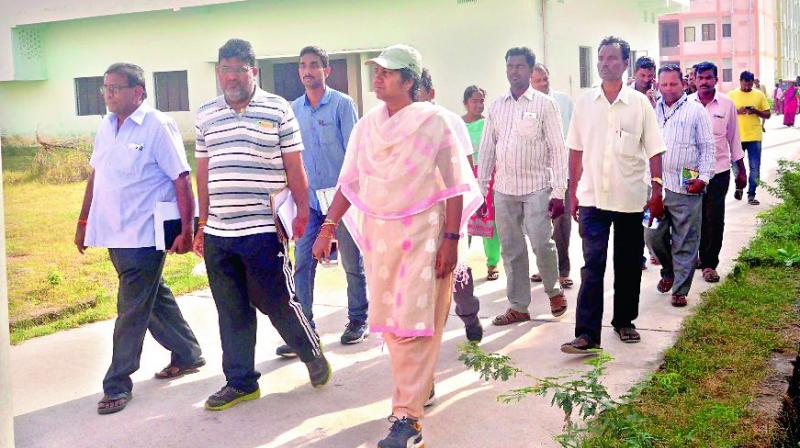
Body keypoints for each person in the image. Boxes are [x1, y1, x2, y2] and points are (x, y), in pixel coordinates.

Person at [311, 44, 480, 448]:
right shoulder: (367, 126)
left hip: (426, 234)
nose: (379, 77)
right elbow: (349, 182)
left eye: (388, 72)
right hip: (381, 238)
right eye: (377, 72)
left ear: (409, 80)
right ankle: (422, 387)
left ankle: (408, 420)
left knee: (415, 323)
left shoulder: (435, 122)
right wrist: (328, 226)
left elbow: (455, 185)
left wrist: (452, 240)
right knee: (394, 322)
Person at [193, 39, 330, 412]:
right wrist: (201, 224)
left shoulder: (278, 108)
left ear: (253, 71)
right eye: (225, 68)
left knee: (276, 300)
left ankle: (310, 351)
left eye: (239, 68)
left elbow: (294, 165)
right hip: (220, 232)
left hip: (262, 229)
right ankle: (240, 382)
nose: (231, 76)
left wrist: (302, 211)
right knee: (230, 309)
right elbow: (202, 174)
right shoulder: (206, 114)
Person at [75, 62, 205, 415]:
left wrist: (187, 229)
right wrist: (84, 219)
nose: (108, 94)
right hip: (114, 230)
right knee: (151, 296)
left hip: (146, 232)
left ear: (138, 92)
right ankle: (188, 352)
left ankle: (117, 382)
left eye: (115, 87)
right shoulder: (106, 125)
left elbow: (181, 178)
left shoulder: (157, 126)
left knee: (130, 309)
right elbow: (97, 174)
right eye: (105, 87)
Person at [561, 36, 665, 353]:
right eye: (601, 58)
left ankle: (624, 322)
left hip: (630, 199)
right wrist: (572, 190)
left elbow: (655, 149)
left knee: (628, 263)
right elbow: (575, 150)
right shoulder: (584, 103)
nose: (605, 63)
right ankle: (587, 335)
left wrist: (657, 189)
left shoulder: (640, 104)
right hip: (592, 197)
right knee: (592, 265)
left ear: (625, 64)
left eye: (612, 58)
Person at [273, 45, 369, 359]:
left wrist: (351, 195)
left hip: (341, 199)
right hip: (309, 203)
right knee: (302, 264)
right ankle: (304, 327)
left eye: (314, 65)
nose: (307, 71)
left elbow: (354, 155)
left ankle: (358, 319)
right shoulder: (293, 109)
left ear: (326, 70)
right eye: (302, 65)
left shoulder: (342, 105)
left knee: (352, 265)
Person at [478, 47, 568, 325]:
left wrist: (559, 191)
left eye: (519, 66)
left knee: (542, 241)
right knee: (511, 249)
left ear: (530, 71)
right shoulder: (496, 106)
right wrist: (482, 191)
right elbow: (487, 149)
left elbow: (557, 148)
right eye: (510, 66)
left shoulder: (544, 104)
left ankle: (554, 290)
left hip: (538, 187)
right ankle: (518, 306)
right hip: (504, 189)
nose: (513, 70)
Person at [418, 68, 484, 343]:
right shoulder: (401, 123)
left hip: (449, 211)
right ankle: (428, 336)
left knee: (456, 268)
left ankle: (469, 316)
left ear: (431, 94)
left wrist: (465, 207)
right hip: (418, 215)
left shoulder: (449, 121)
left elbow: (466, 168)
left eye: (417, 93)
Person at [646, 65, 715, 307]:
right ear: (658, 85)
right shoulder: (651, 111)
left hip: (687, 182)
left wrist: (704, 178)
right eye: (663, 84)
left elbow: (707, 147)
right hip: (655, 185)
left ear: (683, 84)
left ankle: (680, 289)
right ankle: (669, 270)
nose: (668, 89)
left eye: (673, 84)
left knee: (686, 238)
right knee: (651, 235)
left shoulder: (696, 111)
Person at [690, 61, 746, 284]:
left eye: (708, 77)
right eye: (700, 77)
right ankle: (693, 257)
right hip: (691, 173)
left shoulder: (726, 104)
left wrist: (741, 170)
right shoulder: (686, 104)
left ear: (716, 79)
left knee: (714, 218)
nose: (704, 81)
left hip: (719, 171)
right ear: (694, 79)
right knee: (692, 217)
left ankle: (710, 263)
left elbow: (734, 138)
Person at [529, 62, 575, 289]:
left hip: (562, 173)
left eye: (544, 79)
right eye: (537, 80)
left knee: (561, 224)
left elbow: (576, 135)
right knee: (537, 225)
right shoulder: (525, 105)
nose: (542, 83)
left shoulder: (564, 101)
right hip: (536, 175)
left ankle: (563, 270)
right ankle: (545, 267)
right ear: (530, 82)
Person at [462, 85, 502, 282]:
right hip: (465, 176)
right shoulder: (458, 125)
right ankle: (460, 263)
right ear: (466, 103)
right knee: (464, 220)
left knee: (490, 220)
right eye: (474, 101)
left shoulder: (489, 125)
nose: (479, 105)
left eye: (481, 101)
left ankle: (492, 263)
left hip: (487, 176)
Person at [728, 70, 771, 205]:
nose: (747, 87)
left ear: (753, 82)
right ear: (740, 81)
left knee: (755, 167)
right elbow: (725, 114)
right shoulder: (731, 95)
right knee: (736, 167)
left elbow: (768, 114)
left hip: (754, 137)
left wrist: (756, 111)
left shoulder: (759, 95)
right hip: (736, 137)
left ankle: (751, 194)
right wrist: (737, 111)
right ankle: (739, 186)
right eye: (744, 84)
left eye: (749, 84)